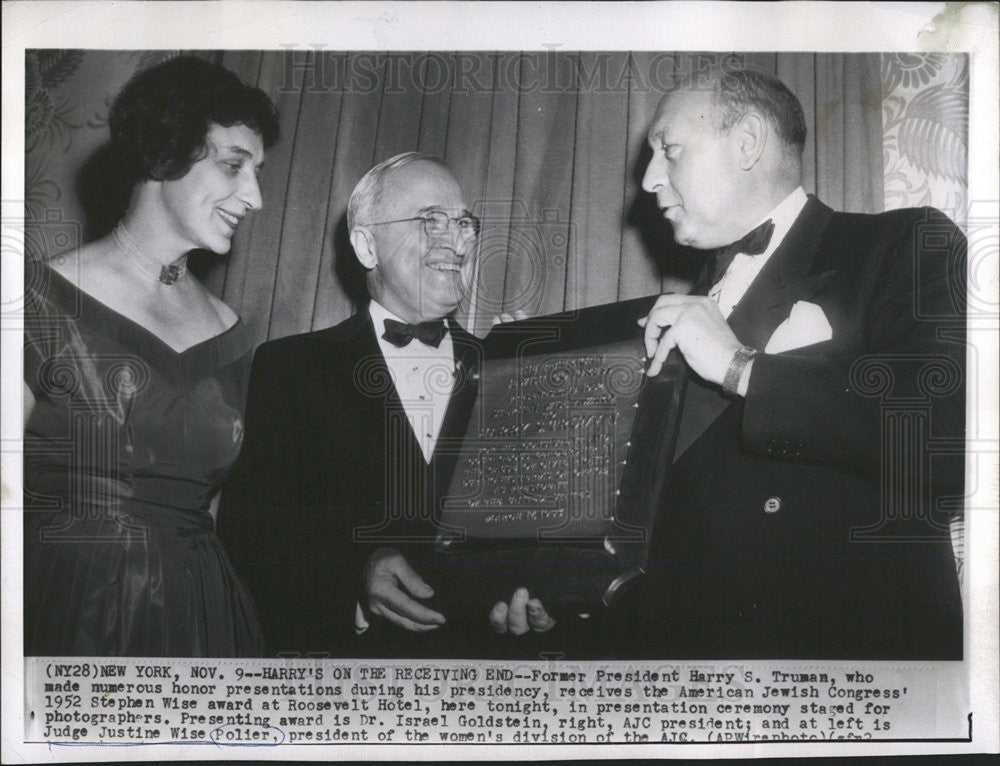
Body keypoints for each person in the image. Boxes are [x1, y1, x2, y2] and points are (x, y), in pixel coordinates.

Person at [630, 67, 965, 658]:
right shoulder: (666, 315)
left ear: (748, 142)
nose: (651, 179)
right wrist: (561, 580)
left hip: (845, 663)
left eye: (670, 150)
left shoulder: (904, 243)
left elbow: (948, 438)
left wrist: (742, 368)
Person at [220, 152, 555, 657]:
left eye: (464, 222)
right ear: (366, 245)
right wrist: (355, 579)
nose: (457, 240)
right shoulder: (290, 367)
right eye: (430, 221)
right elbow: (252, 534)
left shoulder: (508, 368)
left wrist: (543, 599)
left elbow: (544, 529)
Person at [22, 56, 279, 656]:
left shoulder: (234, 332)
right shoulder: (33, 301)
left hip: (201, 619)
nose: (256, 197)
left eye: (258, 172)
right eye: (234, 166)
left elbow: (212, 506)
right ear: (164, 152)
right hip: (64, 604)